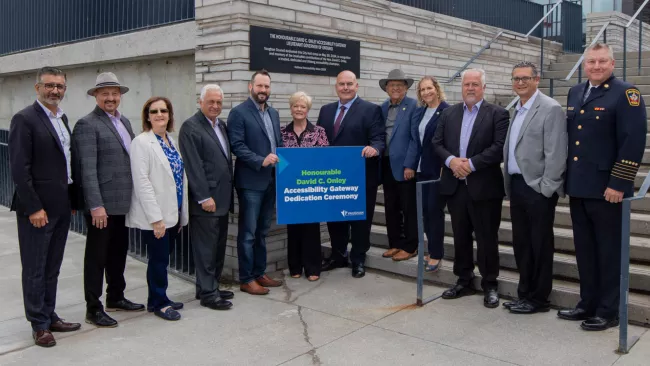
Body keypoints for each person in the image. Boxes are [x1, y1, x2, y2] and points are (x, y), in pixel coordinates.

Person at [558, 43, 647, 331]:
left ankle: (609, 311)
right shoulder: (575, 92)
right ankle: (587, 303)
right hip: (579, 186)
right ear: (584, 64)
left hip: (608, 190)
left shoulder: (626, 94)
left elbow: (632, 142)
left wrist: (619, 183)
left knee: (608, 252)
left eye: (602, 61)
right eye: (591, 62)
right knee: (584, 250)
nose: (596, 66)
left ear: (612, 63)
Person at [9, 66, 81, 347]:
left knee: (52, 266)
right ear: (37, 88)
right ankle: (38, 324)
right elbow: (19, 168)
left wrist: (72, 201)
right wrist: (34, 207)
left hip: (61, 207)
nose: (55, 91)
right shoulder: (24, 119)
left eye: (60, 86)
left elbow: (66, 163)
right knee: (35, 268)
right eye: (49, 85)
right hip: (37, 210)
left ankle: (50, 315)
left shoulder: (62, 119)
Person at [72, 72, 144, 328]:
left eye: (115, 93)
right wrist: (95, 205)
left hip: (122, 204)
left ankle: (116, 296)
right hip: (101, 206)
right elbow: (87, 170)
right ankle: (94, 308)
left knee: (118, 254)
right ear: (96, 96)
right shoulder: (87, 124)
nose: (111, 98)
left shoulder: (124, 121)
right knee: (97, 257)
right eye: (105, 94)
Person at [432, 68, 509, 308]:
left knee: (487, 238)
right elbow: (437, 143)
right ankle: (464, 279)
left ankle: (490, 284)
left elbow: (499, 147)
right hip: (455, 186)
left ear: (483, 87)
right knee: (460, 235)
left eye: (475, 84)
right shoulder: (449, 113)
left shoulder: (498, 113)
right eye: (467, 84)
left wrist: (471, 164)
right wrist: (452, 161)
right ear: (462, 87)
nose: (471, 88)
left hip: (485, 187)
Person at [502, 62, 567, 314]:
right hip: (517, 186)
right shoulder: (516, 108)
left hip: (537, 189)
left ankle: (539, 299)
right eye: (516, 78)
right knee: (521, 243)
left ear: (536, 80)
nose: (520, 83)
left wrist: (546, 188)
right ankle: (524, 294)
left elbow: (556, 152)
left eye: (525, 78)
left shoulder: (550, 108)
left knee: (539, 244)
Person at [317, 70, 386, 278]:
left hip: (361, 176)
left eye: (349, 84)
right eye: (341, 84)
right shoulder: (325, 110)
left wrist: (375, 149)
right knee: (335, 219)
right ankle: (338, 255)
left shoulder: (371, 110)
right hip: (334, 177)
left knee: (359, 221)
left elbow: (379, 138)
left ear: (356, 86)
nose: (345, 88)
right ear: (336, 87)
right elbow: (319, 140)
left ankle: (358, 259)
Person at [126, 97, 189, 321]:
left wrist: (181, 215)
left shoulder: (171, 140)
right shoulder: (141, 142)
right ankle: (160, 303)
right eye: (154, 111)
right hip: (157, 217)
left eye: (164, 110)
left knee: (163, 258)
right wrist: (156, 219)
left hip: (173, 213)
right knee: (158, 260)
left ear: (170, 114)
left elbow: (178, 179)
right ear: (147, 116)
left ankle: (156, 299)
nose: (159, 114)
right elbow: (142, 182)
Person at [227, 70, 284, 295]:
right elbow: (237, 146)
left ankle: (260, 273)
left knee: (262, 232)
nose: (263, 91)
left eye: (267, 87)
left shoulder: (274, 113)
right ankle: (246, 278)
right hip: (251, 183)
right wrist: (260, 161)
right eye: (259, 86)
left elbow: (276, 144)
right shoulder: (238, 113)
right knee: (248, 233)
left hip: (271, 181)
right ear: (251, 87)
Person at [179, 84, 234, 309]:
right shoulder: (190, 127)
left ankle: (210, 287)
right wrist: (203, 197)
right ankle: (209, 295)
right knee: (205, 250)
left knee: (218, 247)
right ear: (200, 102)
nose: (215, 106)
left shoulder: (221, 125)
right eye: (210, 101)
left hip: (222, 198)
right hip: (207, 201)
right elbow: (193, 166)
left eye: (219, 102)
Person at [280, 91, 330, 281]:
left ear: (308, 110)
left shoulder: (319, 132)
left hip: (312, 186)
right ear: (291, 108)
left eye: (303, 106)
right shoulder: (282, 133)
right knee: (293, 227)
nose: (299, 109)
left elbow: (325, 159)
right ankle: (295, 266)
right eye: (296, 106)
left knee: (310, 227)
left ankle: (312, 267)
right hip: (290, 187)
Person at [378, 69, 420, 262]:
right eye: (392, 85)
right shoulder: (382, 108)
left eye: (399, 85)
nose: (395, 88)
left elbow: (415, 138)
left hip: (405, 165)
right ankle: (395, 243)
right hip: (385, 163)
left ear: (405, 88)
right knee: (391, 206)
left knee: (408, 207)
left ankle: (411, 246)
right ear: (386, 88)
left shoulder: (413, 106)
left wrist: (410, 164)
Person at [414, 76, 450, 272]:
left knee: (434, 212)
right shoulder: (420, 112)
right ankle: (431, 249)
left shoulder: (447, 111)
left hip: (437, 170)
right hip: (421, 169)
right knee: (425, 213)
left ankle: (436, 253)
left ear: (436, 89)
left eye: (429, 88)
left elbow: (449, 142)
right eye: (422, 90)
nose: (426, 92)